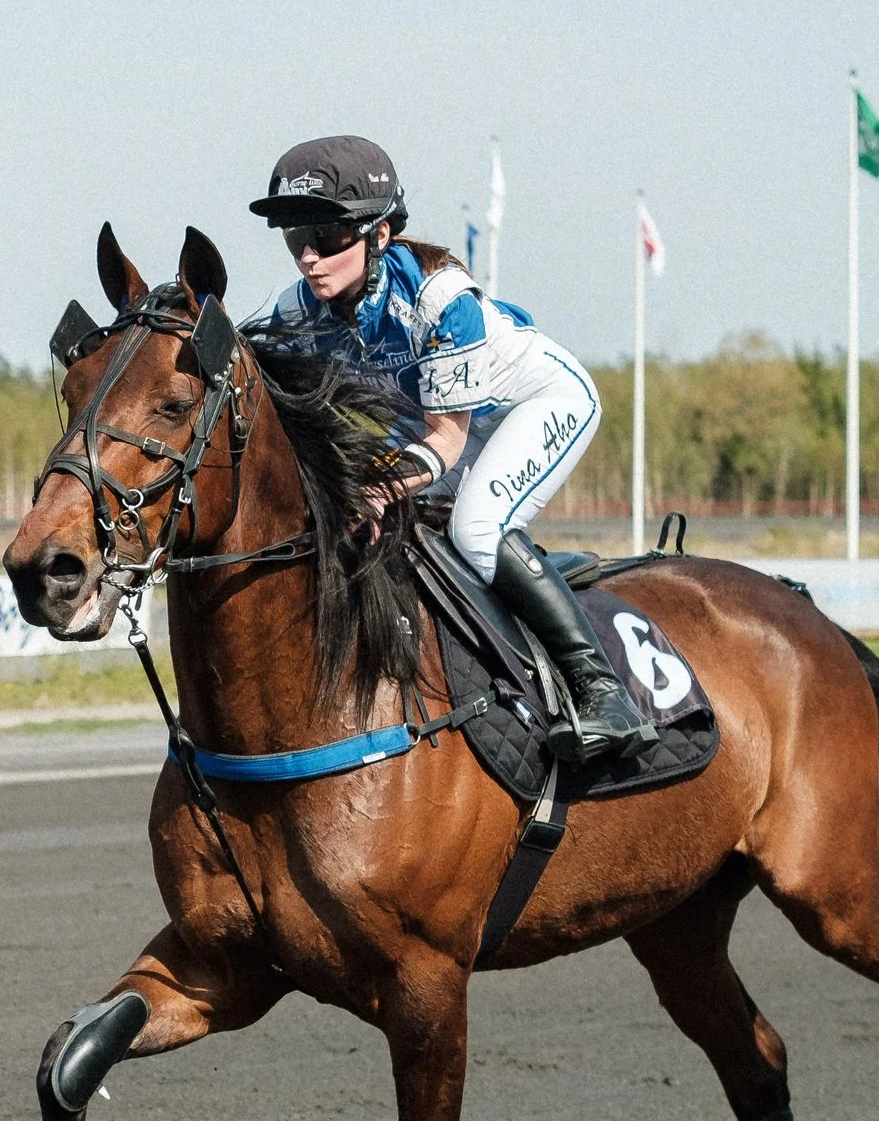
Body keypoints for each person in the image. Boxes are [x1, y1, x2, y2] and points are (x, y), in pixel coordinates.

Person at [250, 134, 651, 762]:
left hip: (536, 402)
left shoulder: (439, 298)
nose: (307, 257)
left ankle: (602, 692)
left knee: (477, 526)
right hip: (440, 424)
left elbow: (446, 438)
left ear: (379, 236)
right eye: (294, 237)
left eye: (327, 238)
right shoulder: (296, 309)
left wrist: (378, 488)